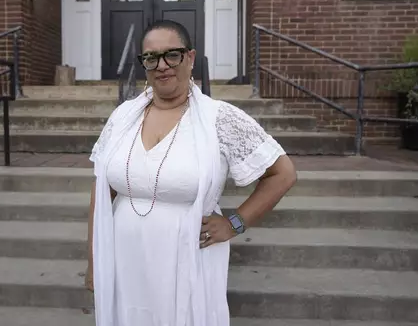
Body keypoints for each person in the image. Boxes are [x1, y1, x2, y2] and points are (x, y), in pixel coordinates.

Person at [85, 19, 297, 326]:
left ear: (190, 58)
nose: (162, 66)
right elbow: (102, 189)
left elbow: (283, 173)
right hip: (124, 258)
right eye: (151, 57)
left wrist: (235, 222)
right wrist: (94, 260)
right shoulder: (123, 118)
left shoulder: (219, 119)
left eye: (173, 54)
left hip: (187, 260)